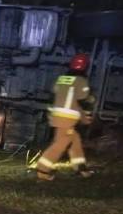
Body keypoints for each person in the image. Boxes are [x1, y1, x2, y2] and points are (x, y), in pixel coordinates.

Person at [36, 53, 95, 181]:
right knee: (60, 144)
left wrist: (84, 119)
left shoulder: (61, 79)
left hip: (56, 117)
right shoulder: (81, 81)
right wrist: (91, 98)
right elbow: (82, 98)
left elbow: (66, 98)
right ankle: (43, 170)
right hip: (67, 119)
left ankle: (80, 167)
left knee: (75, 139)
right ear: (85, 67)